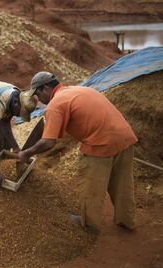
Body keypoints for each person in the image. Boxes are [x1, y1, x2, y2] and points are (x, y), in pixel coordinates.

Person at [12, 71, 138, 232]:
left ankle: (90, 224)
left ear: (45, 89)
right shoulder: (81, 90)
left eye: (37, 95)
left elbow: (48, 142)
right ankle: (126, 221)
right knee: (123, 184)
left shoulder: (55, 104)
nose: (39, 101)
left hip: (100, 143)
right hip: (125, 137)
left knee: (91, 186)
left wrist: (26, 153)